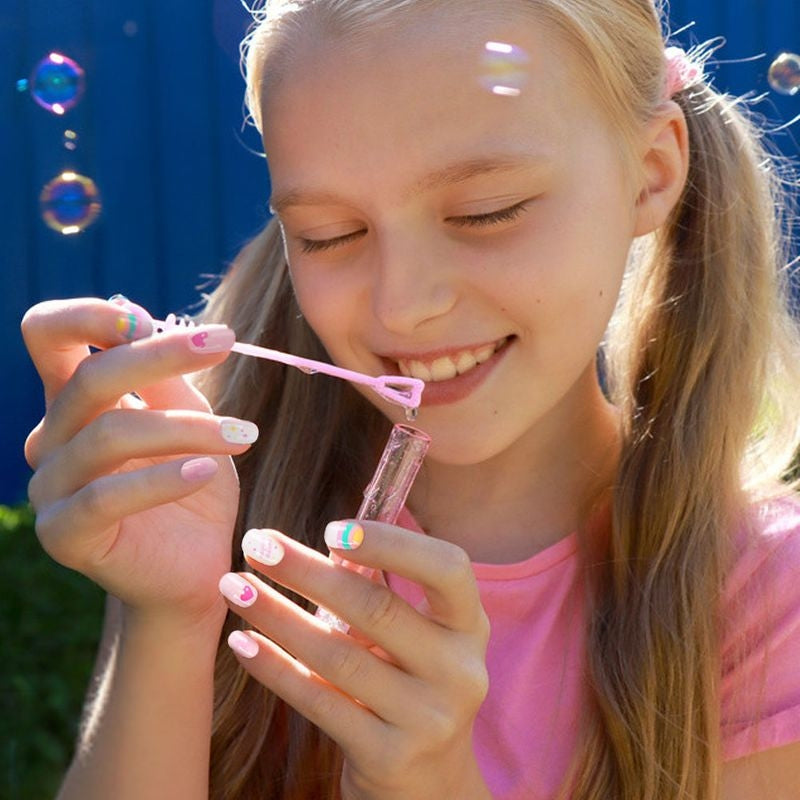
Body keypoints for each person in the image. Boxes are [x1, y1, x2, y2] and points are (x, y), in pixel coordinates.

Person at [20, 0, 800, 798]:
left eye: (485, 212)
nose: (402, 307)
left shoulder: (769, 595)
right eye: (329, 233)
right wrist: (166, 618)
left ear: (652, 172)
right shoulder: (217, 510)